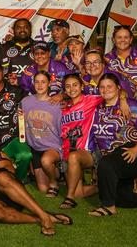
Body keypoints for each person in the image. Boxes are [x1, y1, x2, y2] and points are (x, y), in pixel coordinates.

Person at [0, 129, 72, 236]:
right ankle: (43, 217)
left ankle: (44, 217)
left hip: (11, 189)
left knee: (2, 177)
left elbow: (9, 170)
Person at [88, 73, 137, 216]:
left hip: (136, 151)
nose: (105, 89)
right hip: (116, 158)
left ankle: (108, 207)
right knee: (122, 199)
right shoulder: (98, 107)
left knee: (105, 164)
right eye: (102, 87)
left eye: (109, 86)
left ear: (118, 88)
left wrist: (135, 150)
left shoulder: (131, 106)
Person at [58, 73, 111, 209]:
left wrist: (122, 99)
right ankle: (102, 186)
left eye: (75, 85)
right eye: (68, 86)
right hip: (68, 152)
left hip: (87, 151)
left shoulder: (90, 100)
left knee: (74, 157)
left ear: (82, 86)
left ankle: (69, 199)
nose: (72, 89)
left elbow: (112, 93)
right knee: (79, 193)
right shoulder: (63, 107)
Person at [20, 71, 63, 197]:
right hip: (35, 147)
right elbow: (22, 123)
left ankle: (54, 183)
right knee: (43, 189)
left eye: (43, 82)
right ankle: (57, 173)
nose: (39, 85)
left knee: (46, 161)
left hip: (51, 147)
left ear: (49, 84)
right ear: (33, 84)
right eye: (37, 81)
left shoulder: (56, 104)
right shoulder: (25, 102)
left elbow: (62, 127)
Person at [104, 25, 137, 106]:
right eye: (119, 37)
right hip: (118, 101)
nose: (123, 40)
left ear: (131, 39)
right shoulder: (107, 58)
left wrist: (133, 88)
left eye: (126, 37)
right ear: (113, 40)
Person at [2, 18, 35, 86]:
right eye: (18, 28)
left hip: (33, 91)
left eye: (25, 27)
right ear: (13, 31)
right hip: (9, 92)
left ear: (30, 30)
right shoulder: (3, 47)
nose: (22, 30)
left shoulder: (38, 47)